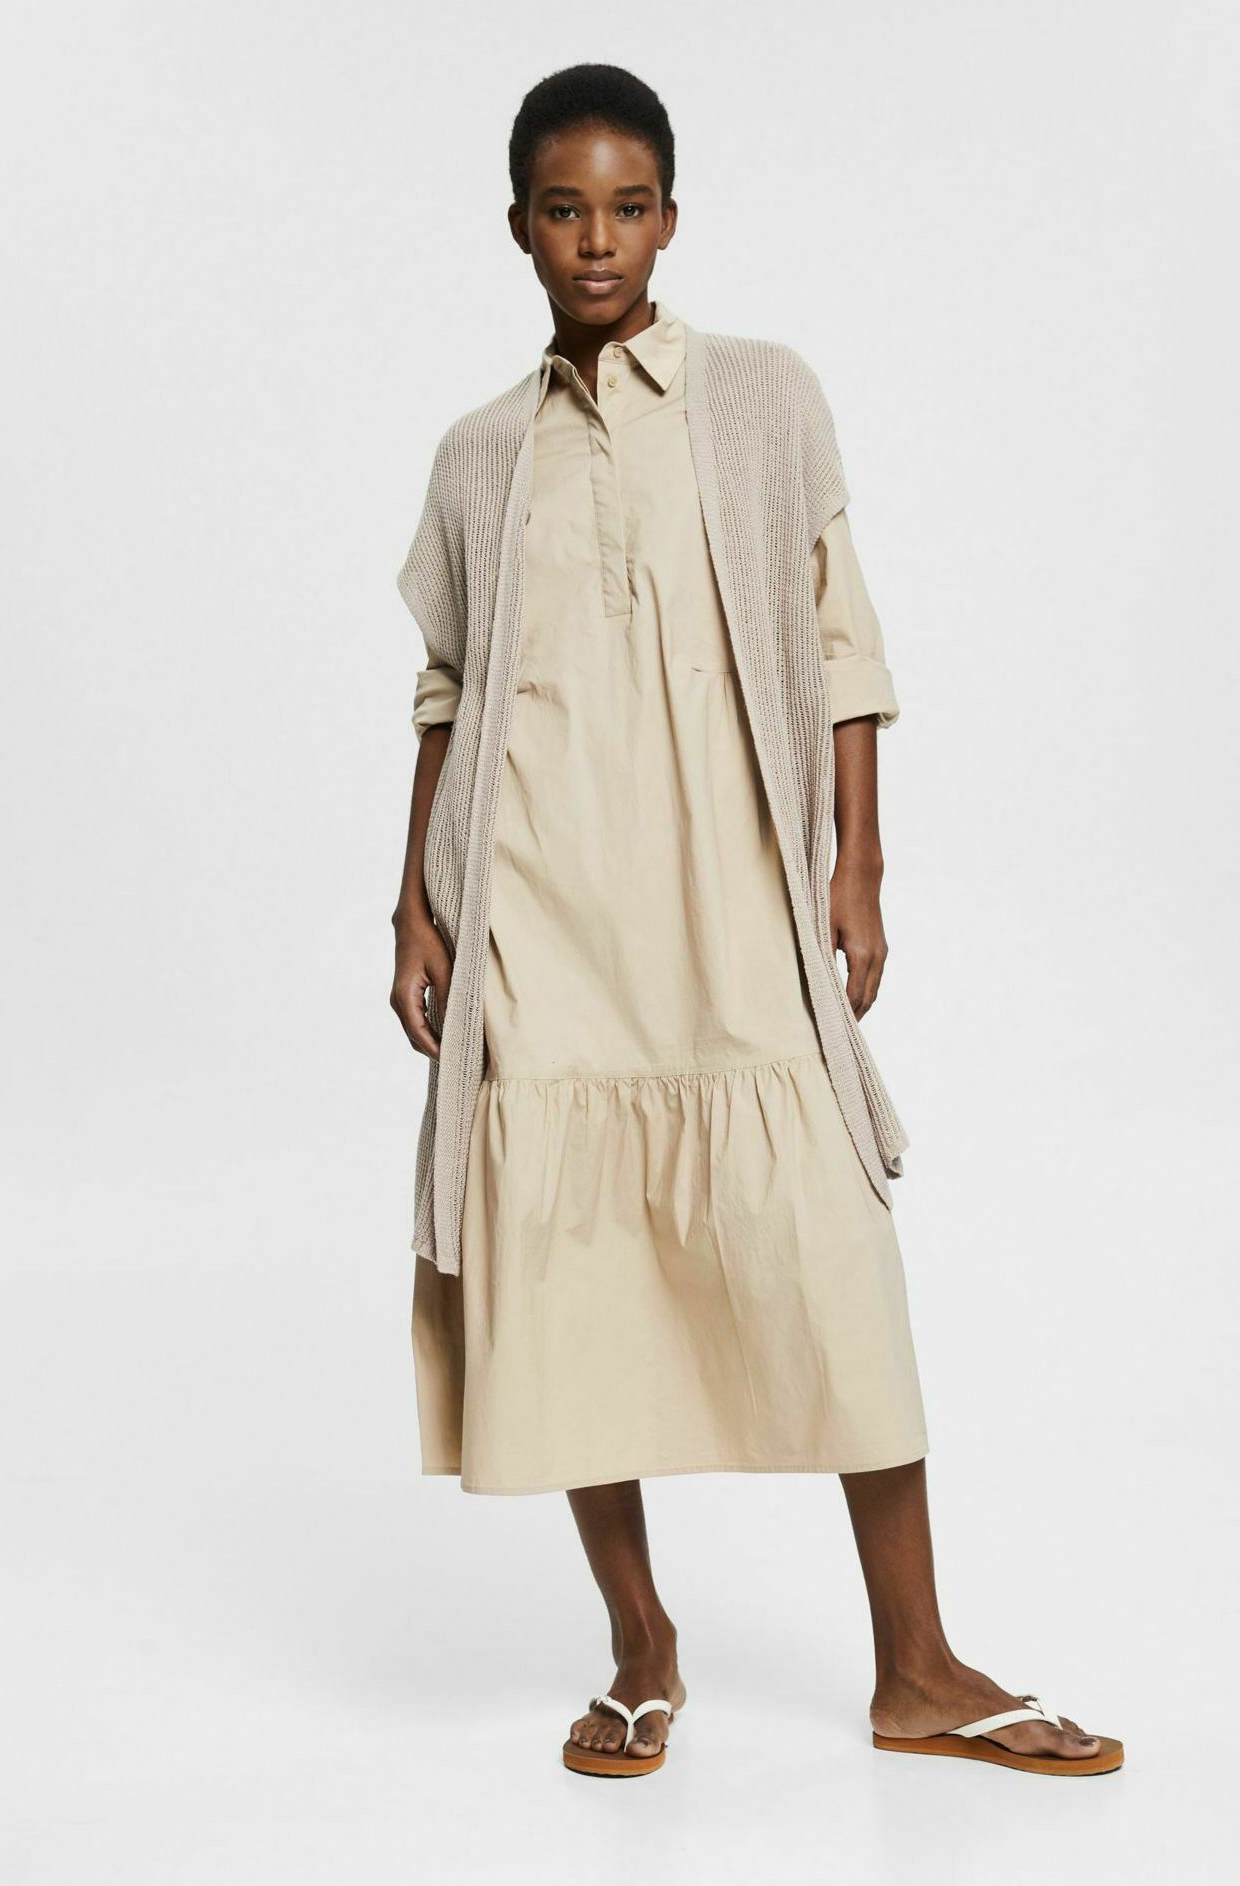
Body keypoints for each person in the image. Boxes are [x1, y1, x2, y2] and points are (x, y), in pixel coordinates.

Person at [390, 63, 1122, 1781]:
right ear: (518, 228)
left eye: (627, 205)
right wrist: (411, 903)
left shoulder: (761, 398)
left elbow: (839, 639)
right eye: (563, 209)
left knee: (829, 1258)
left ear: (670, 218)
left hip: (730, 897)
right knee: (567, 1282)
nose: (596, 238)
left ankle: (916, 1665)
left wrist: (855, 866)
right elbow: (444, 688)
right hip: (541, 911)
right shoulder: (479, 454)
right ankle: (640, 1644)